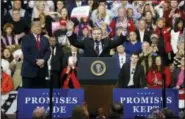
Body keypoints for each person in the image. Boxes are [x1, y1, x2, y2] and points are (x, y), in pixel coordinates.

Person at [21, 19, 50, 88]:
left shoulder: (45, 39)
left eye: (39, 26)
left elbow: (48, 51)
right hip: (29, 72)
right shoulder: (26, 38)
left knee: (40, 95)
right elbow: (26, 53)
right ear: (31, 28)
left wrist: (43, 60)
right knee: (28, 95)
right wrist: (36, 62)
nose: (38, 28)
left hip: (42, 72)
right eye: (36, 26)